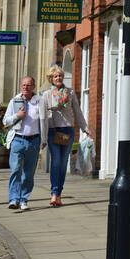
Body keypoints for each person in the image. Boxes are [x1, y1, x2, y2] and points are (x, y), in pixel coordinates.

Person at [39, 65, 90, 206]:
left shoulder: (70, 92)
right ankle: (54, 193)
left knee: (63, 163)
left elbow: (77, 111)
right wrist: (43, 138)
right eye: (55, 76)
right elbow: (42, 117)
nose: (58, 78)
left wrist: (84, 127)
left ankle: (59, 193)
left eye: (60, 76)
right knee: (55, 162)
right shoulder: (46, 95)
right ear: (51, 79)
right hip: (53, 131)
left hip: (67, 130)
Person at [2, 77, 43, 211]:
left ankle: (24, 199)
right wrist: (17, 116)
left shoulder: (39, 102)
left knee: (29, 173)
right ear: (21, 86)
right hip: (17, 139)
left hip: (34, 141)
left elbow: (44, 122)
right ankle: (13, 199)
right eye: (24, 85)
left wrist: (44, 140)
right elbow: (5, 121)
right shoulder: (14, 101)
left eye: (29, 85)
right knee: (15, 170)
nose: (26, 87)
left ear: (33, 86)